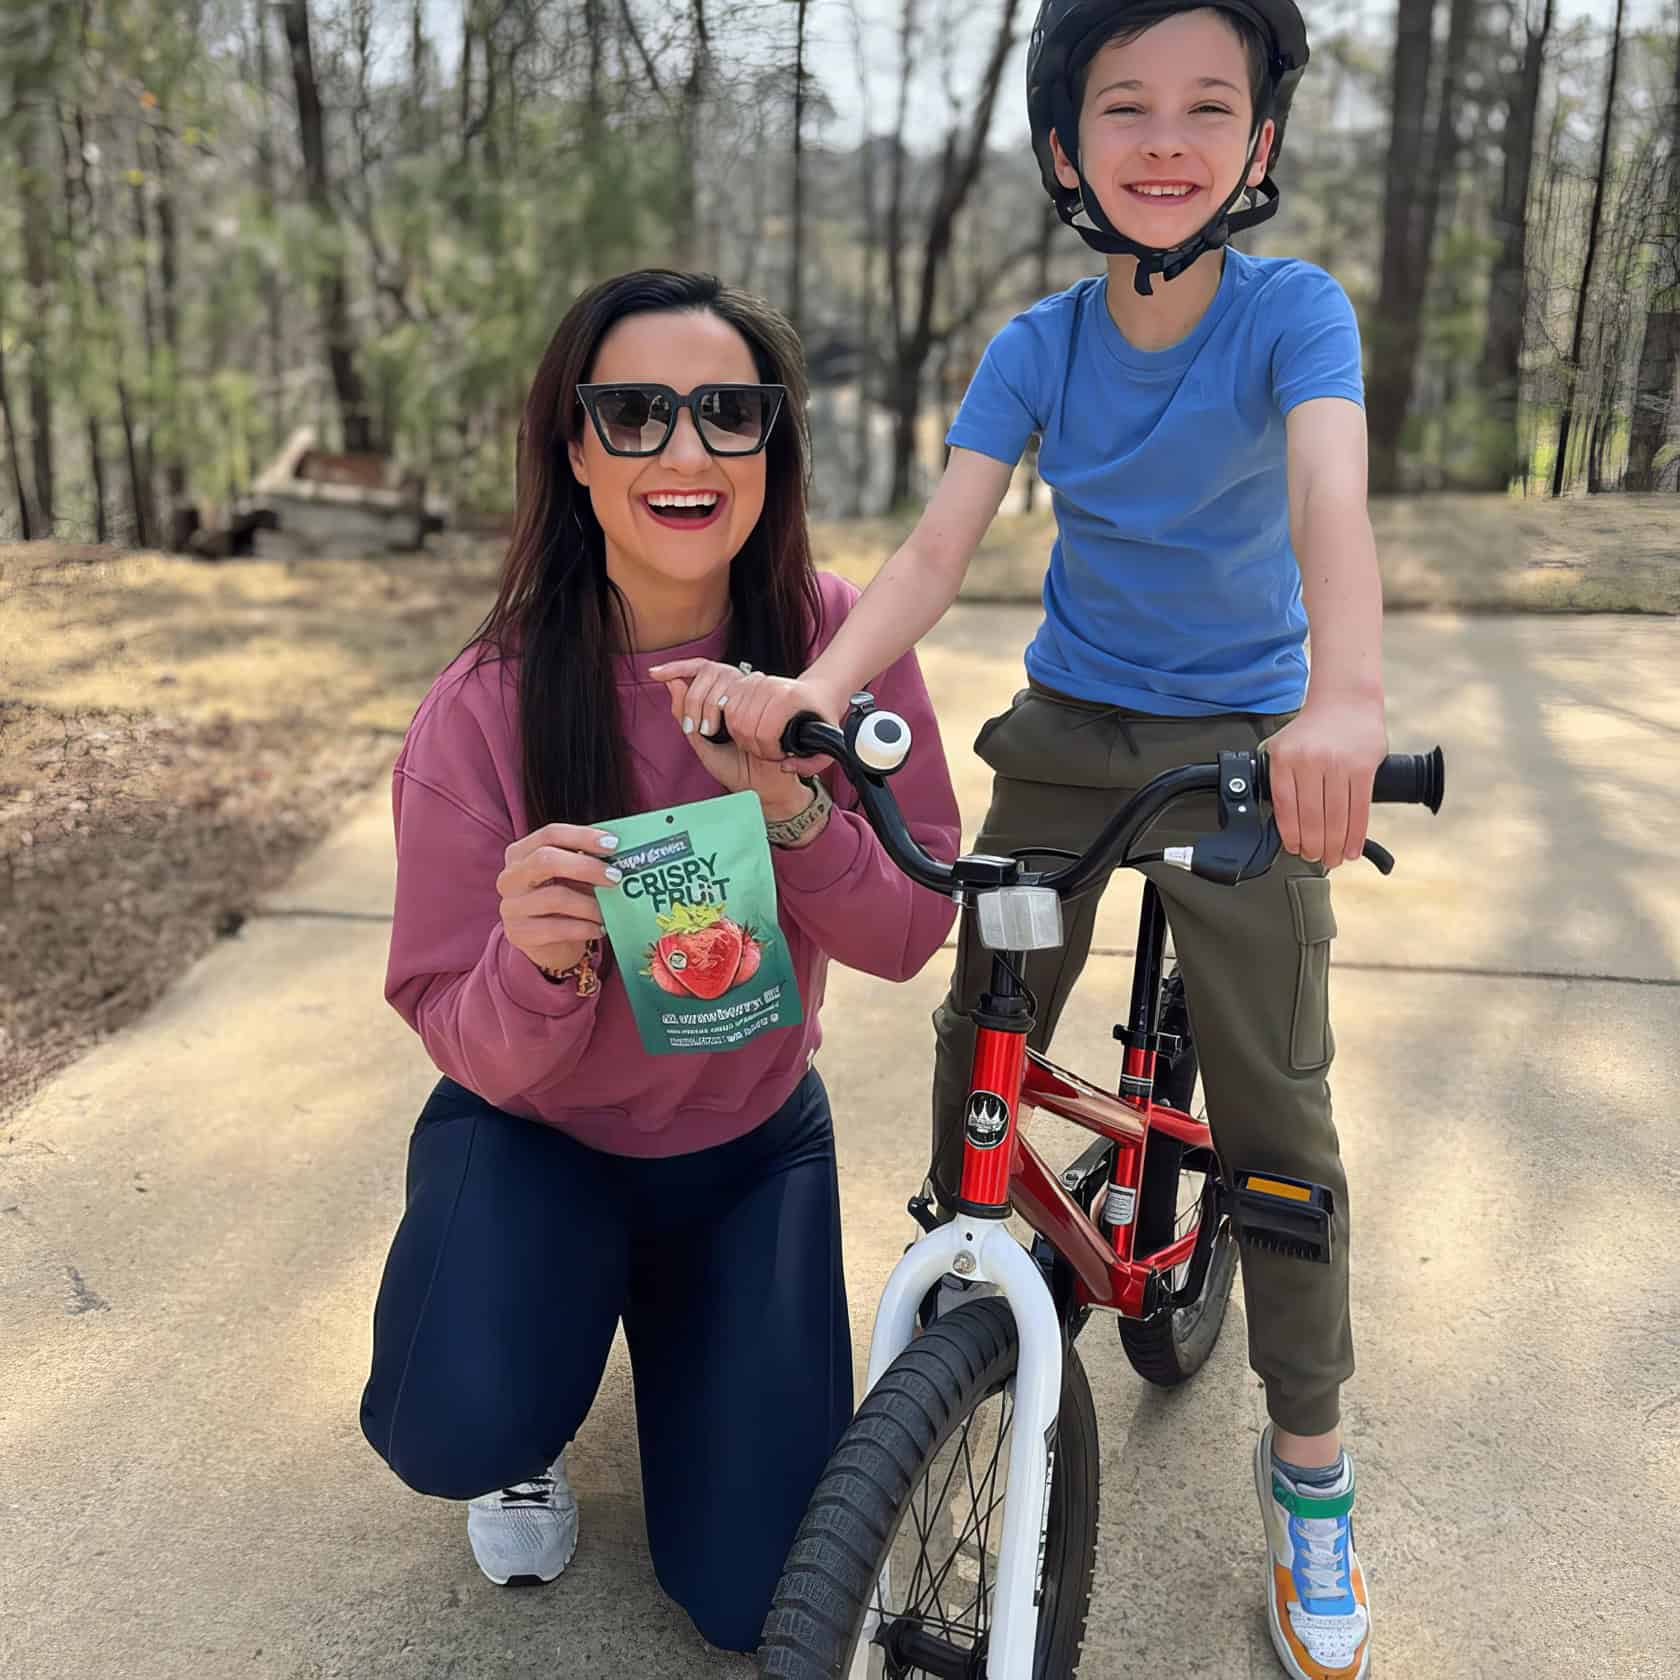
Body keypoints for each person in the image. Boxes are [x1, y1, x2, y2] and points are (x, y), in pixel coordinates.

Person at [655, 5, 1381, 1676]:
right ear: (1066, 148)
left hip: (1244, 748)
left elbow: (1326, 500)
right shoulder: (1037, 347)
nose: (1166, 138)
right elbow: (932, 555)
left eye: (1208, 106)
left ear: (1261, 142)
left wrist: (1344, 704)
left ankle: (1313, 1462)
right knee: (981, 1035)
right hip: (1066, 734)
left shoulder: (1293, 315)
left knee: (1279, 1122)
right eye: (1125, 107)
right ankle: (971, 1315)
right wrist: (813, 688)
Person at [357, 269, 961, 1657]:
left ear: (772, 446)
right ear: (574, 450)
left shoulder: (836, 643)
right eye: (635, 413)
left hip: (749, 1148)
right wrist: (536, 967)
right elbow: (447, 1014)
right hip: (539, 1142)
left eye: (728, 414)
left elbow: (908, 932)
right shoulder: (487, 702)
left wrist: (791, 809)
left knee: (758, 1601)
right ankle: (533, 1405)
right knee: (451, 1421)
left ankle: (680, 1331)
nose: (686, 450)